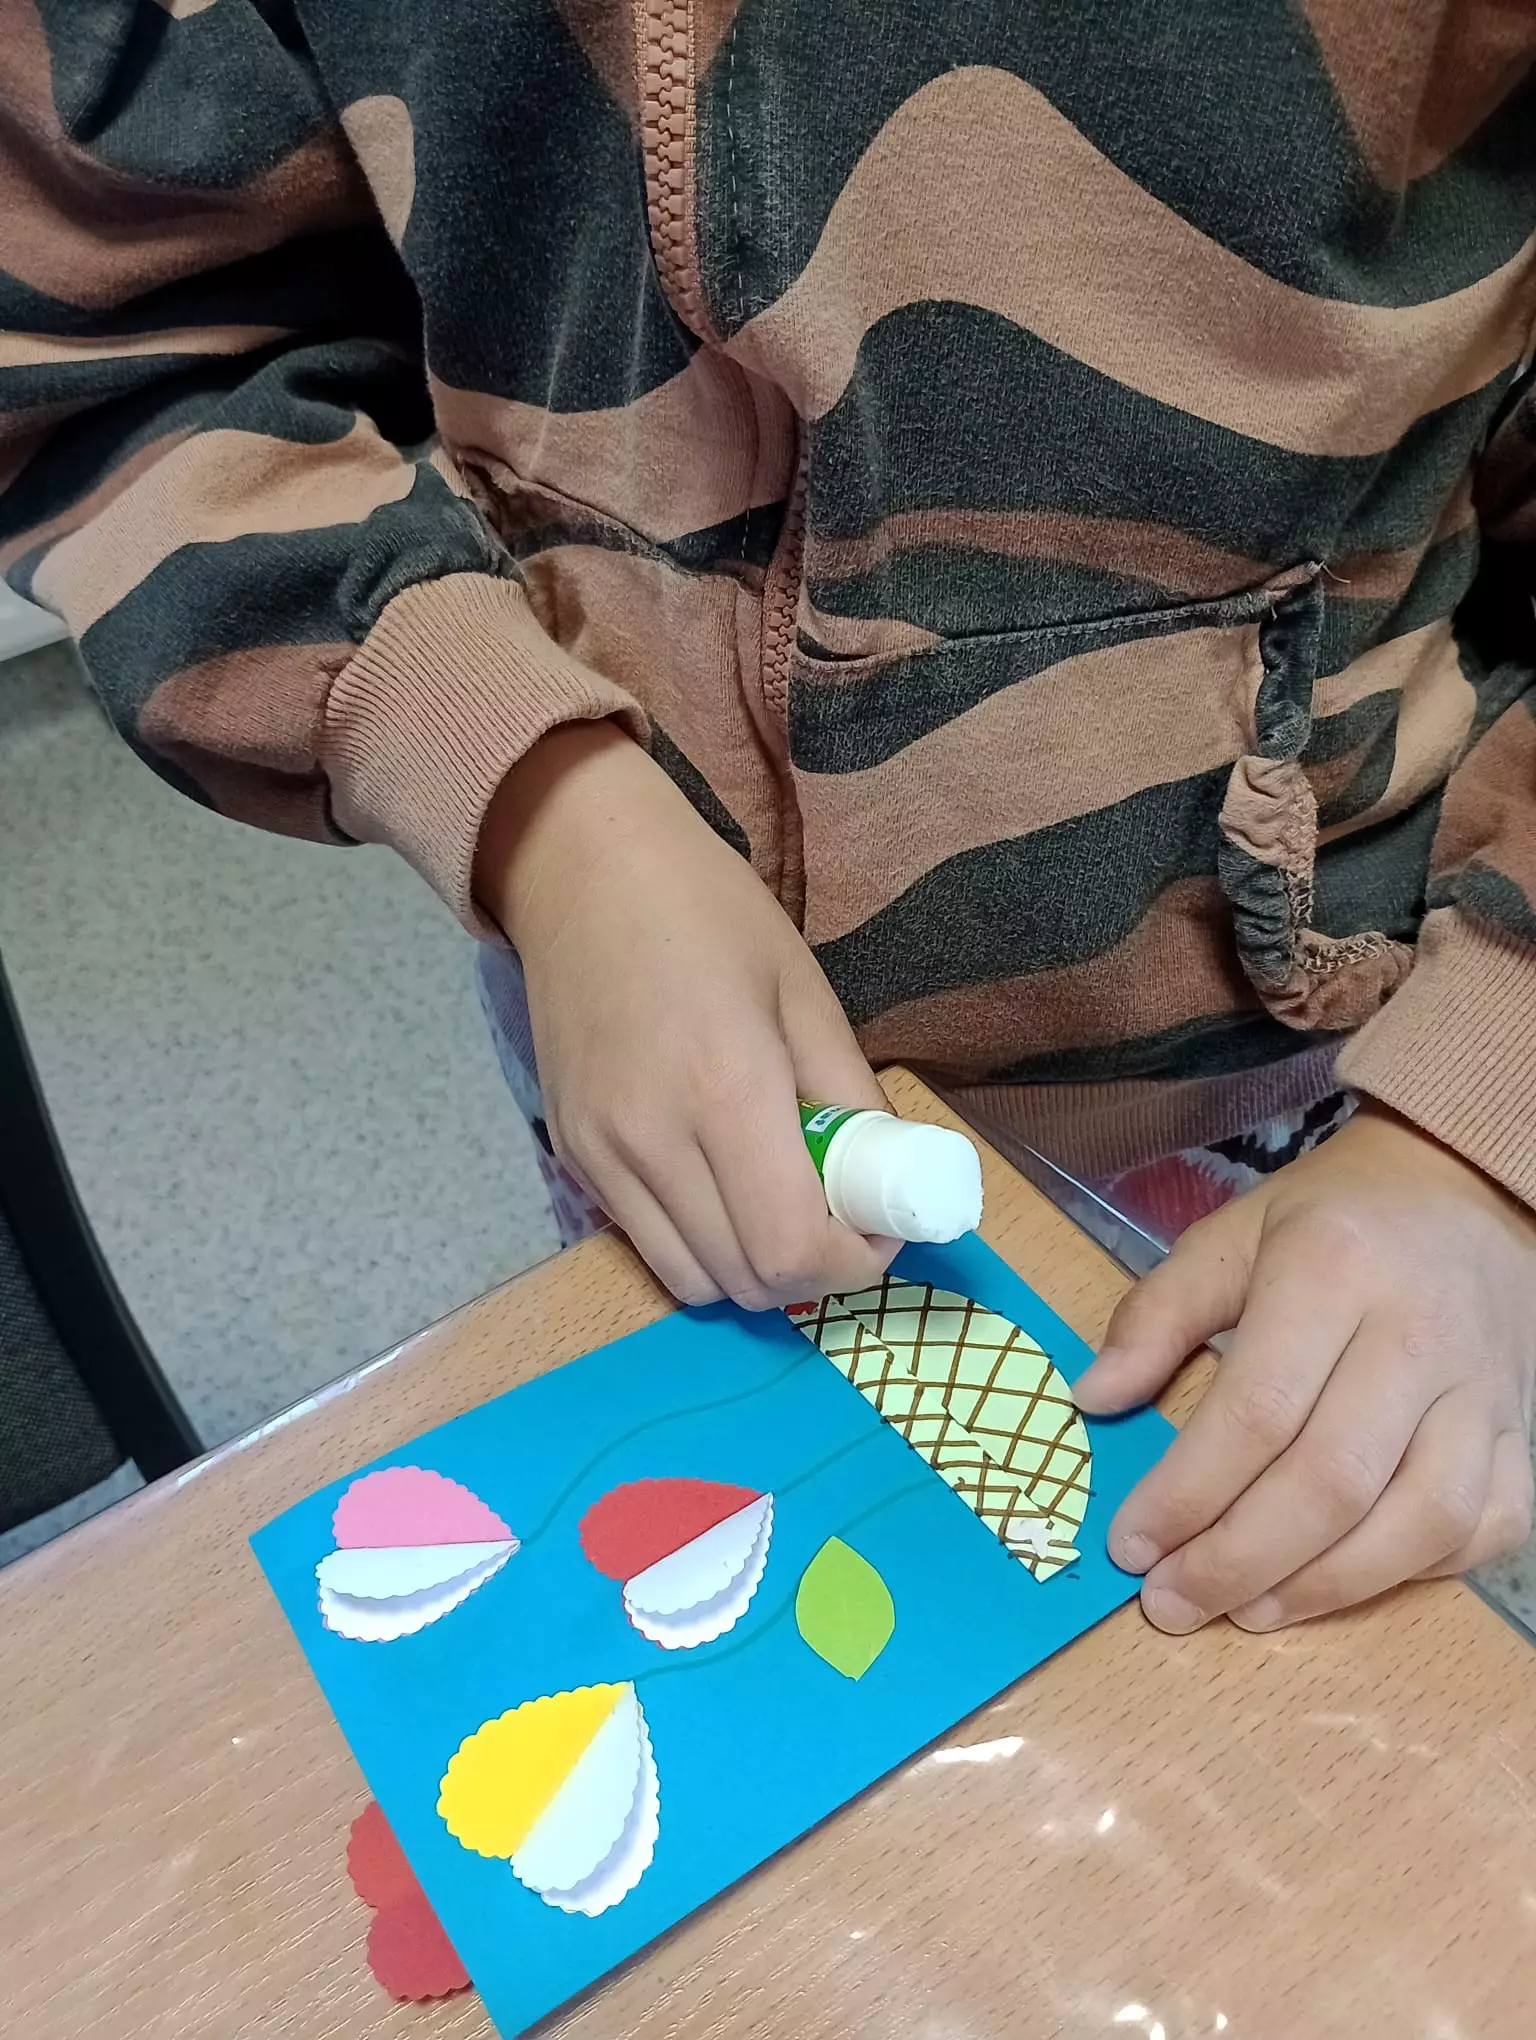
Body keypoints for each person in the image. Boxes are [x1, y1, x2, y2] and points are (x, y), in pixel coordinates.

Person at [4, 0, 1535, 1635]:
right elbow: (117, 346)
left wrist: (1487, 1127)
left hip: (1347, 1068)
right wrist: (538, 805)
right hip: (618, 1003)